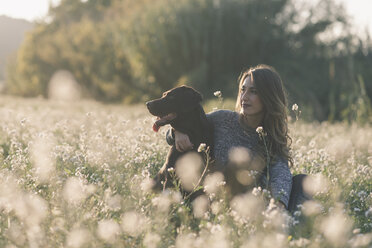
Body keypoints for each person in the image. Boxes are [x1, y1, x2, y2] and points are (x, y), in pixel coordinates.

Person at [167, 64, 293, 209]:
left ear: (268, 96)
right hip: (208, 202)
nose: (244, 97)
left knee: (301, 181)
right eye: (242, 90)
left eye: (253, 92)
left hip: (244, 207)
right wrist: (177, 131)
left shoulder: (270, 138)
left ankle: (291, 226)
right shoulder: (222, 119)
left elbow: (281, 174)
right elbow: (186, 129)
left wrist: (278, 206)